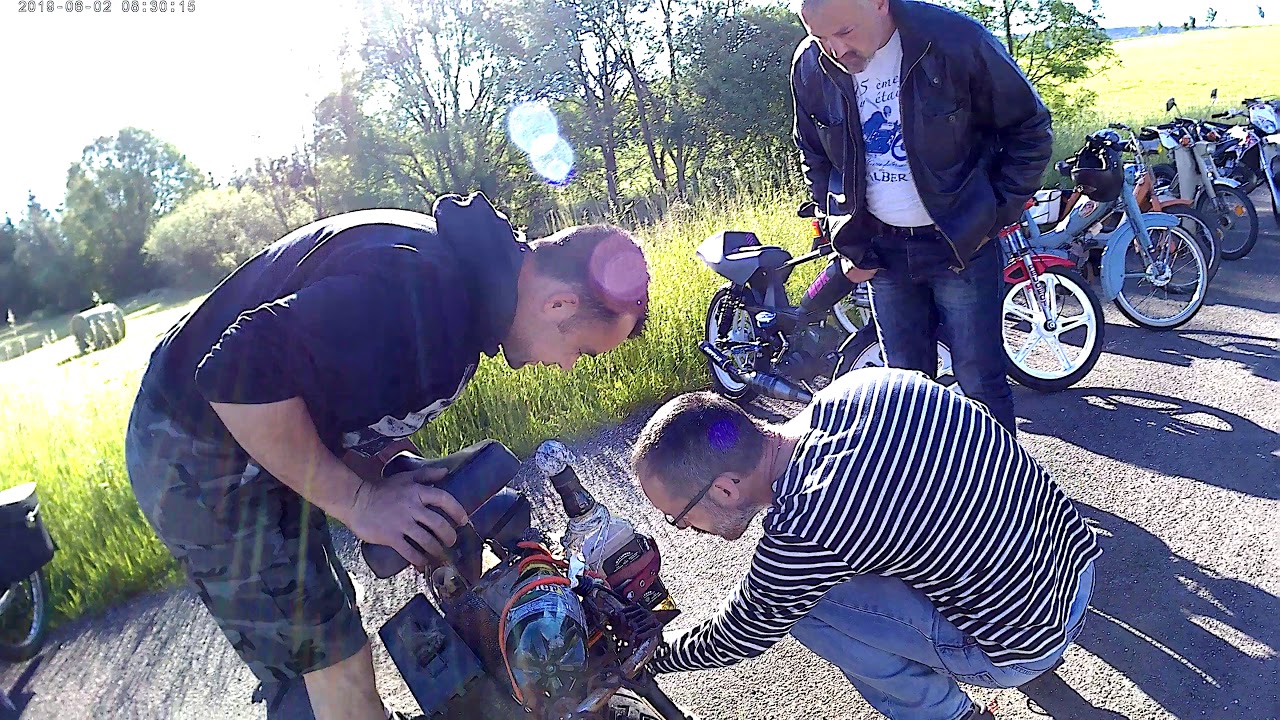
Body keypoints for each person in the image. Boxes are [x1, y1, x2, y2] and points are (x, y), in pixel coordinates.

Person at [123, 192, 649, 720]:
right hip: (198, 449)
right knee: (330, 656)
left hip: (262, 427)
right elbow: (233, 370)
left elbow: (345, 392)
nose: (566, 367)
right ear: (559, 304)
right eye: (581, 351)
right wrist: (359, 502)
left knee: (332, 619)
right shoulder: (415, 293)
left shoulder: (471, 302)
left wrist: (393, 469)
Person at [631, 367, 1100, 720]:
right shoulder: (862, 387)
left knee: (803, 606)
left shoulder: (806, 522)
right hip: (1074, 569)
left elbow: (744, 630)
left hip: (1025, 645)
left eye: (679, 515)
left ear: (724, 488)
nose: (684, 528)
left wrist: (652, 657)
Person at [786, 0, 1054, 432]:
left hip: (961, 245)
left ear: (880, 3)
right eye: (820, 37)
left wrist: (991, 217)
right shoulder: (809, 64)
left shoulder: (956, 41)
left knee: (980, 381)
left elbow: (1030, 129)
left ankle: (1003, 474)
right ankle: (929, 476)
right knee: (906, 392)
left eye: (845, 32)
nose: (836, 49)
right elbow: (815, 156)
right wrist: (844, 232)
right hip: (881, 251)